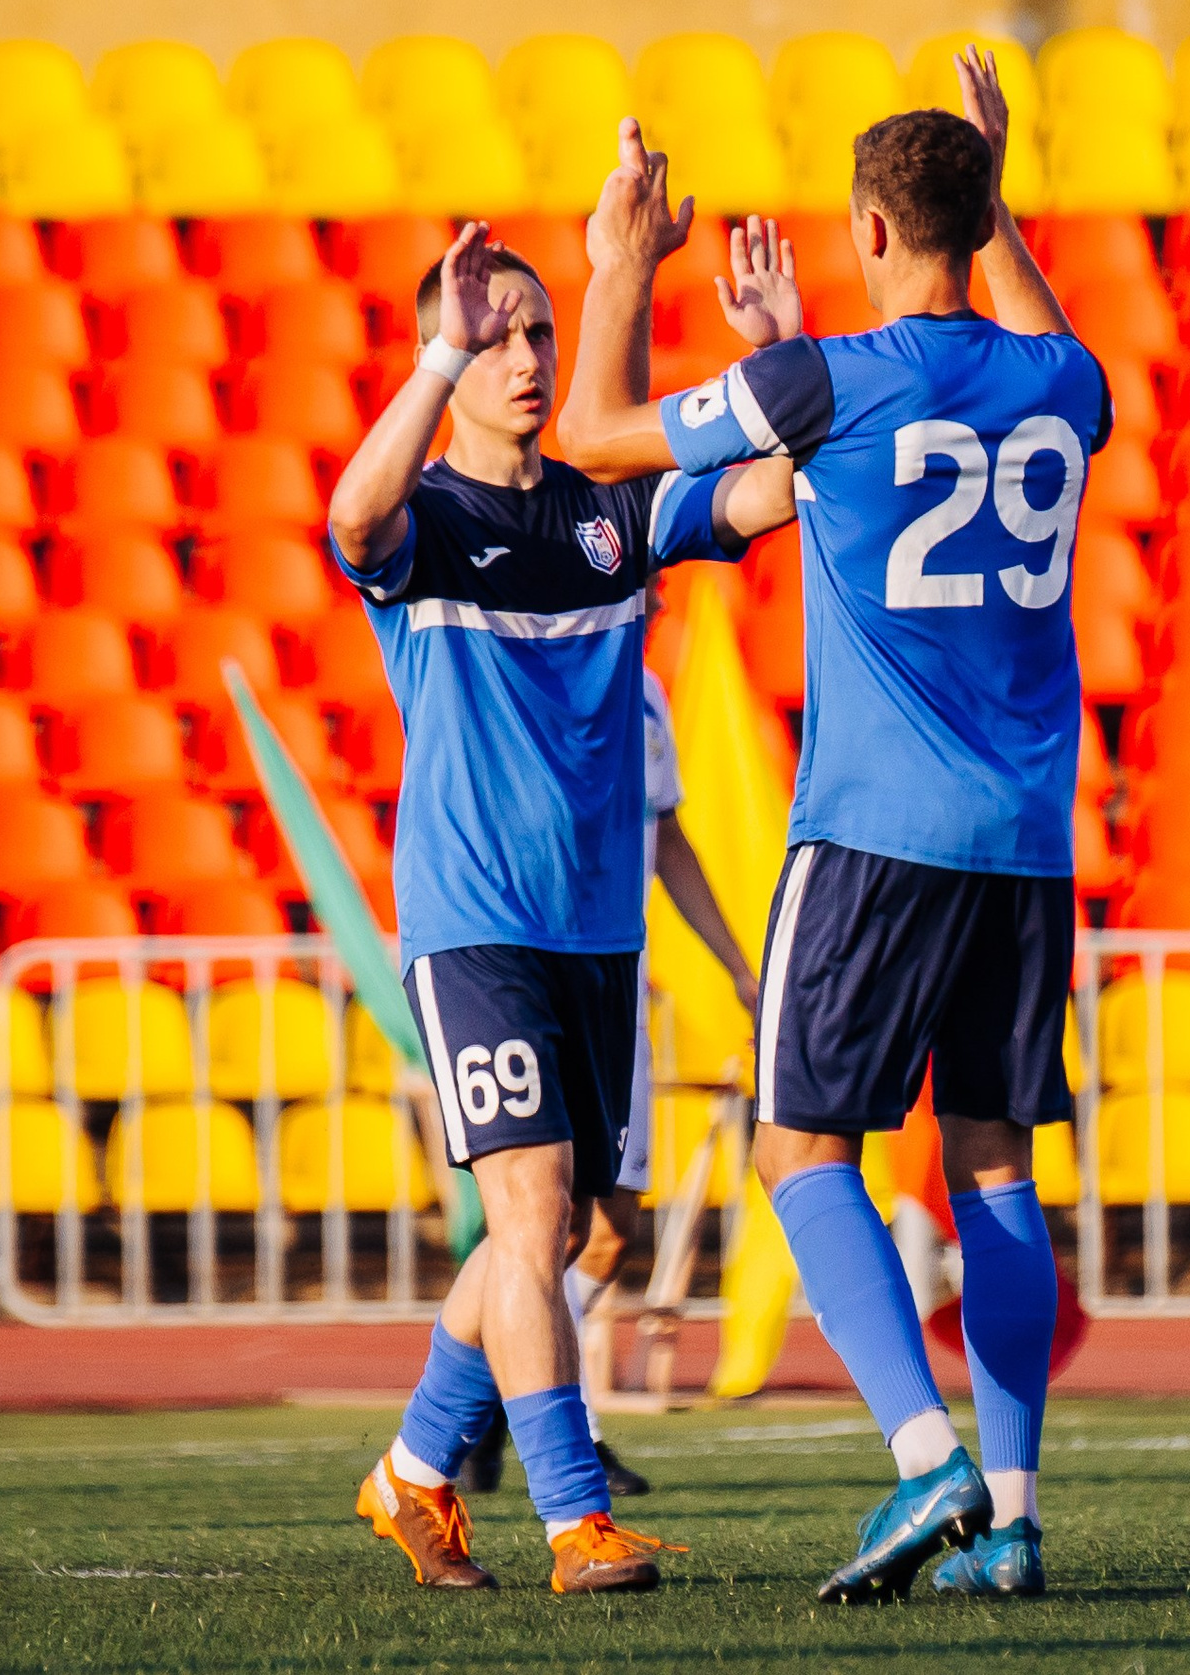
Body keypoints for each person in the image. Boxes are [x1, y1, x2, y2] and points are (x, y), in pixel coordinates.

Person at [562, 50, 1108, 1602]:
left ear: (870, 230)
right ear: (986, 216)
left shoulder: (830, 378)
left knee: (803, 1145)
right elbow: (1037, 330)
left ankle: (922, 1454)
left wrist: (620, 265)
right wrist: (994, 195)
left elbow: (597, 435)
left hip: (875, 830)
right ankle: (1009, 1514)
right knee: (995, 1165)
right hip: (1026, 839)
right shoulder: (1068, 384)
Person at [328, 221, 795, 1594]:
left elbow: (769, 496)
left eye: (540, 330)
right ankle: (576, 1519)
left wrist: (779, 360)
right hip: (474, 928)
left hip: (599, 939)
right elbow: (352, 517)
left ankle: (413, 1469)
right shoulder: (427, 530)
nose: (528, 355)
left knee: (559, 1229)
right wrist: (435, 360)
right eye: (500, 333)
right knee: (531, 1216)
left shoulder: (609, 519)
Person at [463, 656, 763, 1499]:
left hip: (618, 980)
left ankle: (493, 1389)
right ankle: (560, 1426)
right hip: (533, 972)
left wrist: (737, 965)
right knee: (540, 1211)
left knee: (607, 1227)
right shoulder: (537, 668)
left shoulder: (650, 695)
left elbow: (665, 836)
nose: (654, 595)